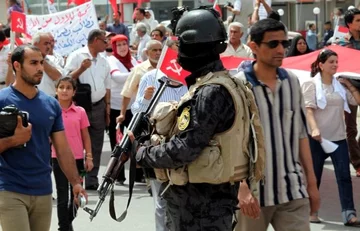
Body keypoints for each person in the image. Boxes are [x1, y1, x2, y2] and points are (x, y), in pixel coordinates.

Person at [132, 8, 264, 230]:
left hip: (197, 210)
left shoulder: (209, 92)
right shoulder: (229, 84)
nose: (178, 53)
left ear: (196, 48)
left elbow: (185, 149)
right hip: (211, 205)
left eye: (182, 46)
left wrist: (142, 152)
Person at [235, 18, 320, 231]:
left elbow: (300, 134)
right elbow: (231, 142)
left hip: (292, 190)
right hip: (252, 195)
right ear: (254, 47)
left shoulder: (292, 81)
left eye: (284, 43)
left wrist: (311, 183)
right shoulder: (238, 85)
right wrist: (240, 187)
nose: (281, 49)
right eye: (273, 44)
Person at [0, 44, 87, 231]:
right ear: (17, 65)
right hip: (9, 188)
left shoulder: (51, 104)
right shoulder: (2, 100)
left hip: (43, 190)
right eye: (33, 63)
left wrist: (76, 182)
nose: (40, 68)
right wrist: (13, 140)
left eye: (41, 62)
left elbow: (63, 149)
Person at [302, 49, 360, 226]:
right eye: (331, 62)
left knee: (344, 176)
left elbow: (357, 101)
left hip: (338, 138)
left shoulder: (340, 85)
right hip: (317, 139)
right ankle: (311, 212)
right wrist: (314, 129)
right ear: (321, 65)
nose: (335, 64)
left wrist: (349, 85)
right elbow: (309, 110)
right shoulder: (311, 84)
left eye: (336, 61)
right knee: (314, 177)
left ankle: (349, 214)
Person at [131, 62, 188, 231]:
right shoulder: (151, 78)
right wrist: (146, 99)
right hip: (158, 147)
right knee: (161, 202)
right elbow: (137, 111)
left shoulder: (191, 78)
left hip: (186, 147)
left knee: (185, 199)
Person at [64, 29, 111, 190]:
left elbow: (107, 85)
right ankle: (77, 178)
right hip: (79, 107)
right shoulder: (77, 56)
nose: (107, 44)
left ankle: (92, 178)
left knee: (96, 144)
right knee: (77, 144)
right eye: (105, 41)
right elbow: (65, 80)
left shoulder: (104, 60)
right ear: (96, 40)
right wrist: (81, 69)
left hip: (98, 106)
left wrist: (108, 108)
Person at [52, 77, 94, 231]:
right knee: (62, 196)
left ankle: (67, 222)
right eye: (61, 87)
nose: (64, 90)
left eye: (68, 87)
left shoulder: (80, 111)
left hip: (77, 159)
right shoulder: (52, 110)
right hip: (58, 158)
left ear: (74, 92)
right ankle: (64, 228)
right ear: (56, 90)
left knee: (77, 196)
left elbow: (86, 136)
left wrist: (89, 156)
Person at [106, 34, 137, 185]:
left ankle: (136, 174)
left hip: (132, 106)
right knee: (116, 142)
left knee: (135, 141)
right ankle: (116, 175)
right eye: (118, 45)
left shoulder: (133, 60)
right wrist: (137, 73)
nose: (122, 48)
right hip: (116, 108)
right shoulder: (112, 60)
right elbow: (117, 77)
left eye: (124, 44)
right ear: (114, 48)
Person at [334, 8, 360, 176]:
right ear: (349, 24)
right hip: (349, 86)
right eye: (358, 20)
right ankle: (357, 163)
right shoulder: (342, 43)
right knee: (351, 127)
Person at [32, 32, 63, 97]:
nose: (49, 46)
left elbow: (59, 78)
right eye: (45, 44)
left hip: (49, 100)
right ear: (35, 45)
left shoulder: (53, 60)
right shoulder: (25, 61)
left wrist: (41, 60)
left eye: (49, 43)